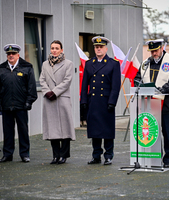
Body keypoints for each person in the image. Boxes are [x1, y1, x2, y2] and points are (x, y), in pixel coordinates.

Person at [134, 39, 169, 168]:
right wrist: (139, 86)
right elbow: (138, 78)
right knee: (151, 131)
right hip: (149, 104)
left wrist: (162, 90)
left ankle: (168, 159)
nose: (154, 53)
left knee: (167, 132)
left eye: (156, 50)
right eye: (152, 51)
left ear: (161, 48)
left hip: (164, 104)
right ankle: (153, 158)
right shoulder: (146, 63)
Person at [80, 36, 121, 165]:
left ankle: (108, 155)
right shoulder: (89, 64)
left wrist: (112, 102)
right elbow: (84, 84)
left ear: (106, 48)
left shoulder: (113, 64)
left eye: (100, 47)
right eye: (96, 47)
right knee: (95, 130)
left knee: (107, 130)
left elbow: (116, 86)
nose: (98, 49)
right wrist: (84, 101)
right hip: (93, 101)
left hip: (106, 102)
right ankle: (96, 155)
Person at [0, 44, 37, 163]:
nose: (11, 56)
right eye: (9, 54)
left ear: (18, 55)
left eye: (13, 54)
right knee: (7, 131)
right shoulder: (1, 68)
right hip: (6, 104)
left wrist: (29, 101)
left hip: (21, 105)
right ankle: (7, 154)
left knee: (23, 130)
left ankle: (24, 154)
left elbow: (32, 86)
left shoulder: (27, 67)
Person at [39, 40, 75, 164]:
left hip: (62, 98)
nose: (54, 50)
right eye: (52, 48)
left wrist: (54, 92)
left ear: (61, 50)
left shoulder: (68, 64)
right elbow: (41, 79)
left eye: (57, 48)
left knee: (65, 129)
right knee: (52, 128)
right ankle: (55, 155)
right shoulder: (45, 64)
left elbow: (67, 81)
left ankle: (64, 155)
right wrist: (47, 92)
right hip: (49, 99)